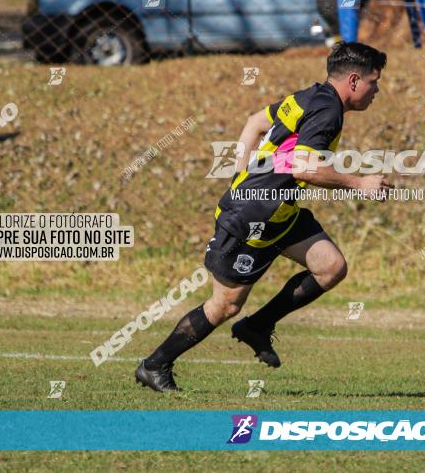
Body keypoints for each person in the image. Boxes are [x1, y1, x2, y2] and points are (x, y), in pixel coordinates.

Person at [136, 42, 391, 392]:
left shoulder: (308, 97)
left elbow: (254, 122)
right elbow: (305, 167)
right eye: (374, 82)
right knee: (225, 306)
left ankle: (257, 327)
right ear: (353, 80)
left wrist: (240, 176)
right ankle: (155, 365)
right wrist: (359, 182)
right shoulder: (327, 111)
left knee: (330, 266)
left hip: (279, 212)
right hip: (251, 218)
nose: (377, 90)